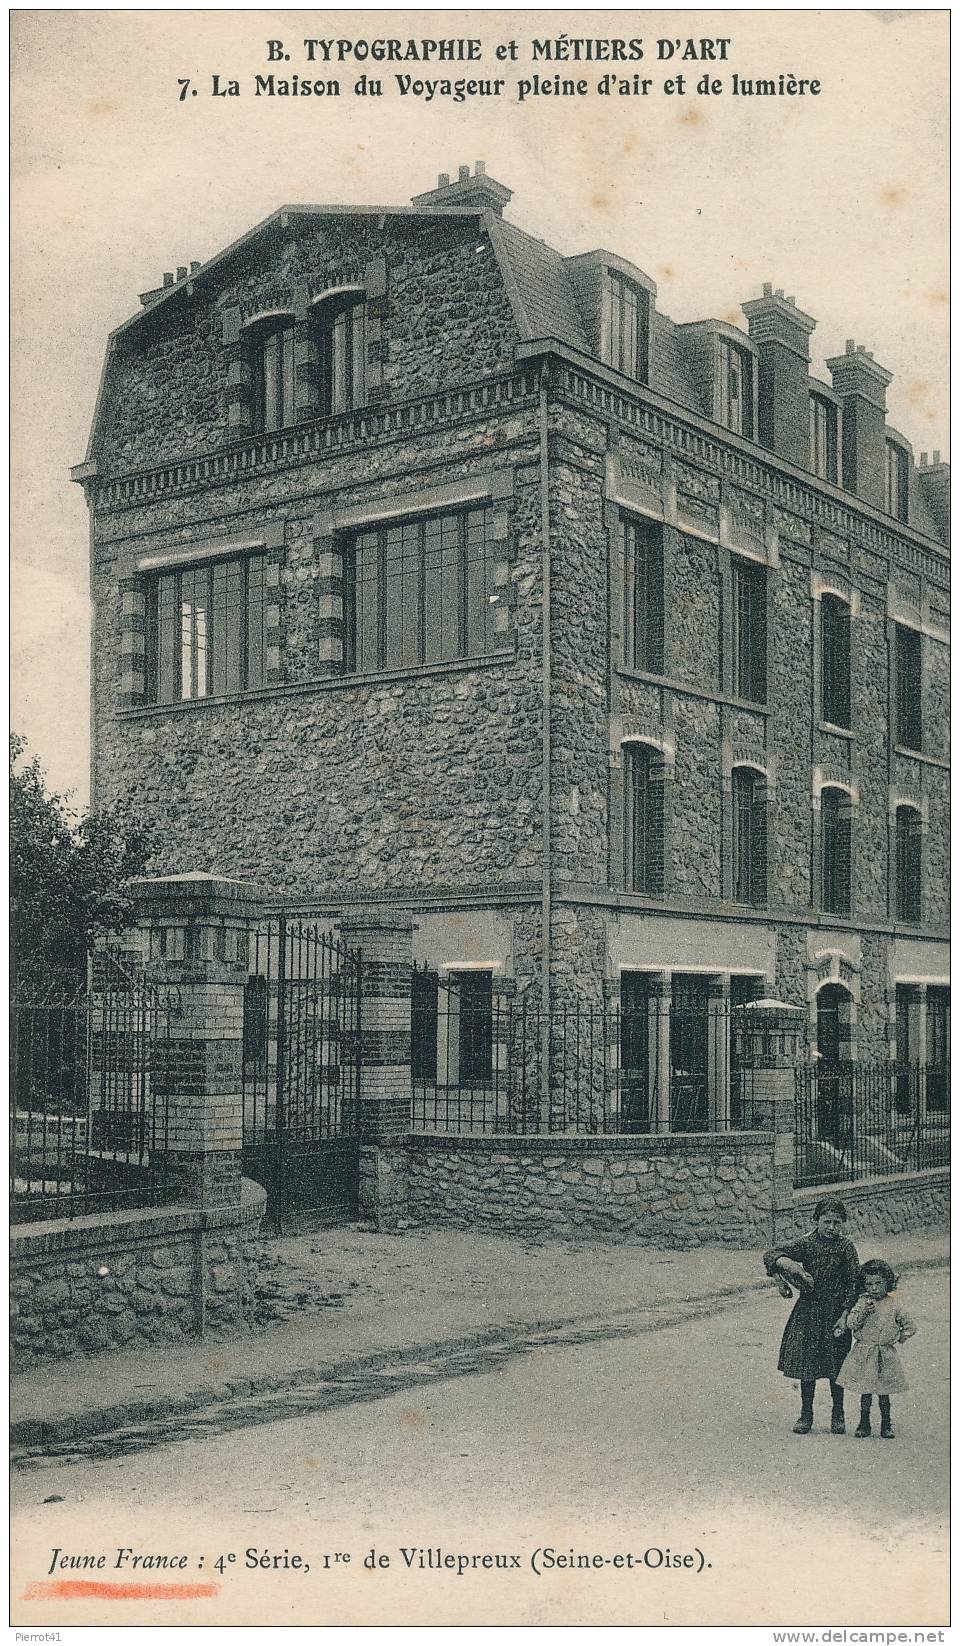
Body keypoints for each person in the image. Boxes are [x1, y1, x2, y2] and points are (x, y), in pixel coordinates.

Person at [763, 1197, 860, 1435]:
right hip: (809, 1313)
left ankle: (838, 1415)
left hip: (836, 1313)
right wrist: (782, 1278)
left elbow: (854, 1284)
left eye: (837, 1223)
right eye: (826, 1222)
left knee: (836, 1364)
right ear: (815, 1221)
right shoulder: (807, 1244)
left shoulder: (846, 1247)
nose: (832, 1228)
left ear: (843, 1224)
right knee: (808, 1365)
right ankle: (806, 1415)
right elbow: (771, 1255)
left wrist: (845, 1314)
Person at [836, 1258, 917, 1439]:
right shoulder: (862, 1302)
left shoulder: (894, 1304)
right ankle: (864, 1423)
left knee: (883, 1393)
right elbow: (850, 1324)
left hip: (884, 1354)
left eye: (878, 1283)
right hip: (865, 1353)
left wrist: (901, 1337)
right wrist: (864, 1313)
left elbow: (909, 1324)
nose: (873, 1288)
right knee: (865, 1392)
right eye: (869, 1284)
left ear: (887, 1282)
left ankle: (886, 1424)